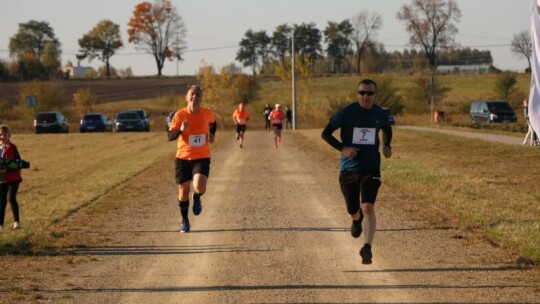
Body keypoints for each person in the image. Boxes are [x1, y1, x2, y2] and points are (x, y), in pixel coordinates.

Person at [321, 79, 392, 265]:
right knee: (353, 209)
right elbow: (325, 133)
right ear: (357, 94)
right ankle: (355, 218)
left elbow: (387, 129)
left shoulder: (379, 114)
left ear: (375, 95)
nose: (365, 96)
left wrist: (387, 145)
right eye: (362, 93)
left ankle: (367, 247)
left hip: (371, 167)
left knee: (368, 206)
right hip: (349, 169)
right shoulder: (347, 112)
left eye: (369, 93)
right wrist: (343, 148)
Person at [168, 85, 217, 233]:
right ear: (187, 97)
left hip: (201, 156)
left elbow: (213, 124)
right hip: (183, 158)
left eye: (197, 94)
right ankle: (185, 221)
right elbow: (170, 136)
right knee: (183, 191)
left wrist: (212, 134)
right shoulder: (179, 115)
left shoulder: (207, 113)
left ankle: (197, 196)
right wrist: (181, 129)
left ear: (201, 98)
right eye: (192, 94)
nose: (194, 96)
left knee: (199, 185)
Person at [0, 125, 23, 231]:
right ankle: (1, 225)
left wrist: (6, 169)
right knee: (1, 201)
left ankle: (16, 222)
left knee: (11, 198)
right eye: (0, 135)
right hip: (1, 180)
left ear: (9, 135)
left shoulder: (13, 147)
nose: (2, 136)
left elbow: (18, 163)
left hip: (13, 178)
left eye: (4, 134)